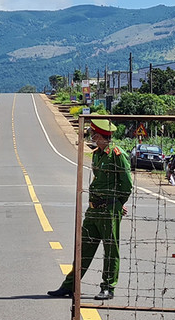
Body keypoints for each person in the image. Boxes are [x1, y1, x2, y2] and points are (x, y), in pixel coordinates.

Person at [48, 119, 132, 301]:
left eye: (95, 135)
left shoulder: (118, 155)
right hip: (93, 209)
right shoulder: (97, 154)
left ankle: (108, 287)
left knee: (111, 250)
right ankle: (70, 285)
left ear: (104, 137)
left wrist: (118, 204)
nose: (92, 137)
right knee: (83, 248)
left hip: (109, 209)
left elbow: (127, 185)